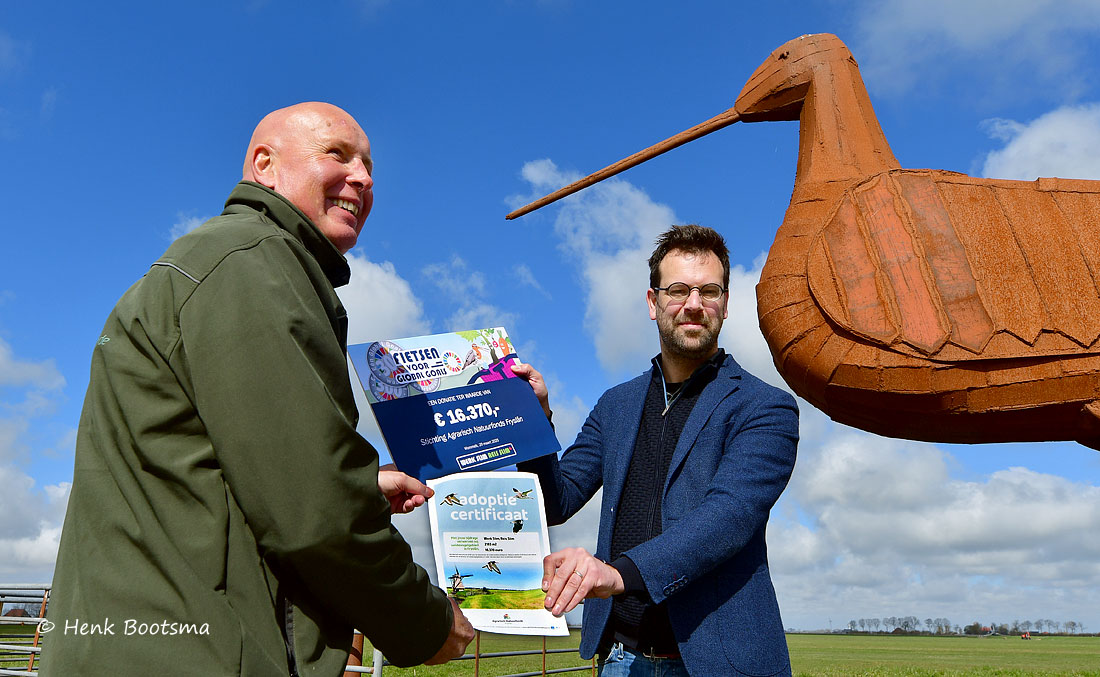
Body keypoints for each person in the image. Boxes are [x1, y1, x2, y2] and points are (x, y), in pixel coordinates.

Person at [41, 103, 473, 676]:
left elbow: (222, 470)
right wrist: (426, 622)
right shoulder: (256, 264)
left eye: (369, 166)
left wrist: (359, 486)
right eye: (337, 154)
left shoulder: (228, 261)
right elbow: (314, 514)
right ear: (264, 165)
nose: (364, 178)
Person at [514, 224, 799, 676]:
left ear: (725, 303)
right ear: (653, 303)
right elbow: (556, 500)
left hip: (718, 664)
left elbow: (729, 516)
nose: (693, 304)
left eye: (709, 291)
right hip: (622, 659)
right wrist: (532, 423)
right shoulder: (616, 404)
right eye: (678, 290)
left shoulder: (765, 407)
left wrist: (619, 574)